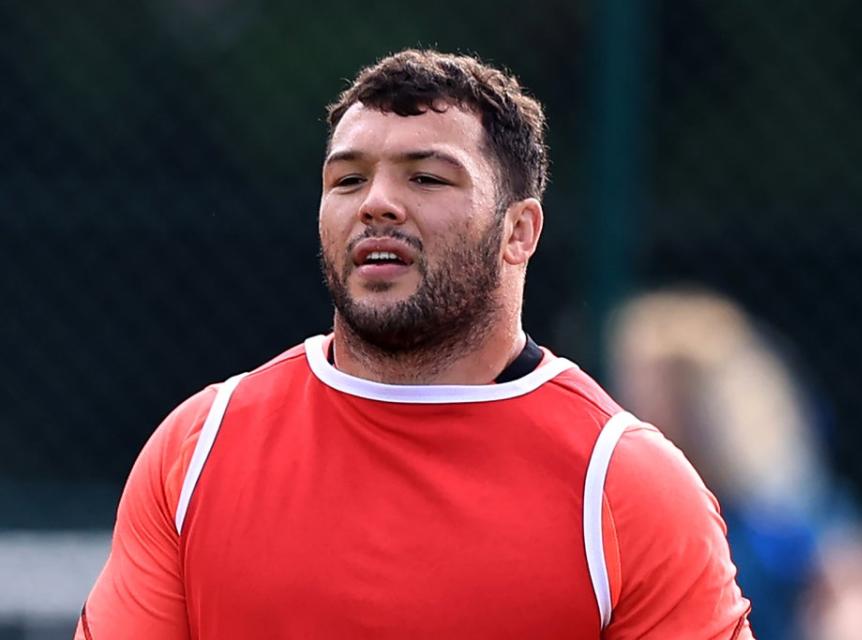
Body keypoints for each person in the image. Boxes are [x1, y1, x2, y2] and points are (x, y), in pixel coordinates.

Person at [76, 50, 753, 639]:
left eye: (425, 177)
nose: (376, 202)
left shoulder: (626, 486)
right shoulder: (197, 450)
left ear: (520, 231)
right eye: (347, 179)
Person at [608, 288, 862, 640]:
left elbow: (861, 599)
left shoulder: (779, 504)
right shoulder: (613, 501)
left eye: (652, 387)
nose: (625, 400)